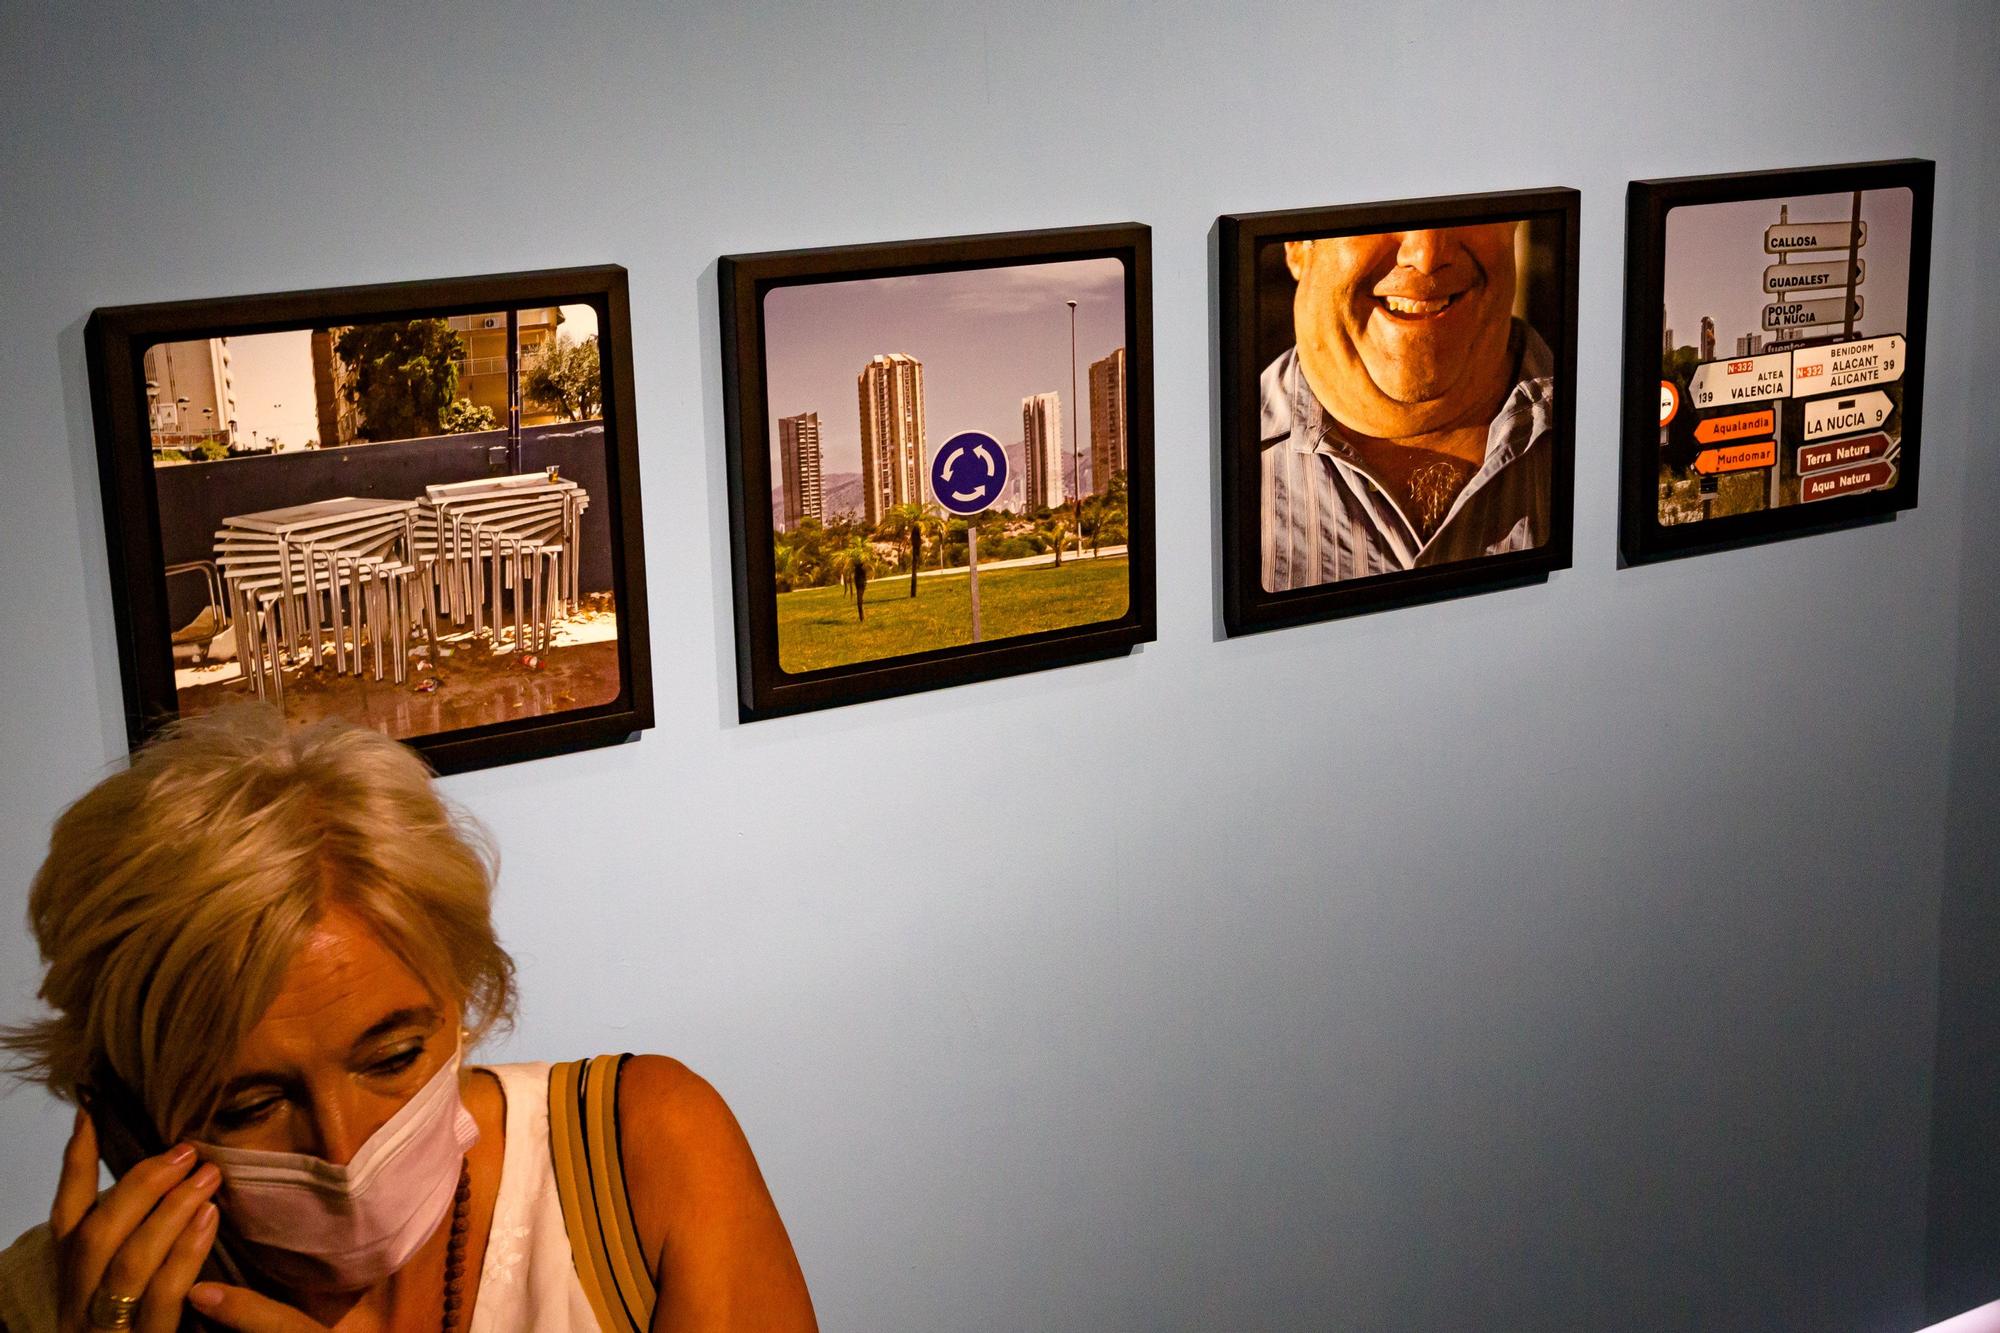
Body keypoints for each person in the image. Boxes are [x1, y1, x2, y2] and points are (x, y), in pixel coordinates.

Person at [0, 707, 817, 1332]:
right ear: (125, 1114)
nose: (344, 1149)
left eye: (391, 1057)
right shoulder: (46, 1302)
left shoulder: (645, 1150)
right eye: (249, 1106)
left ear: (461, 999)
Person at [1259, 222, 1556, 590]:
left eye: (1466, 202)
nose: (1426, 255)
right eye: (1379, 212)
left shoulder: (1623, 438)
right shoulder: (1194, 490)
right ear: (1298, 244)